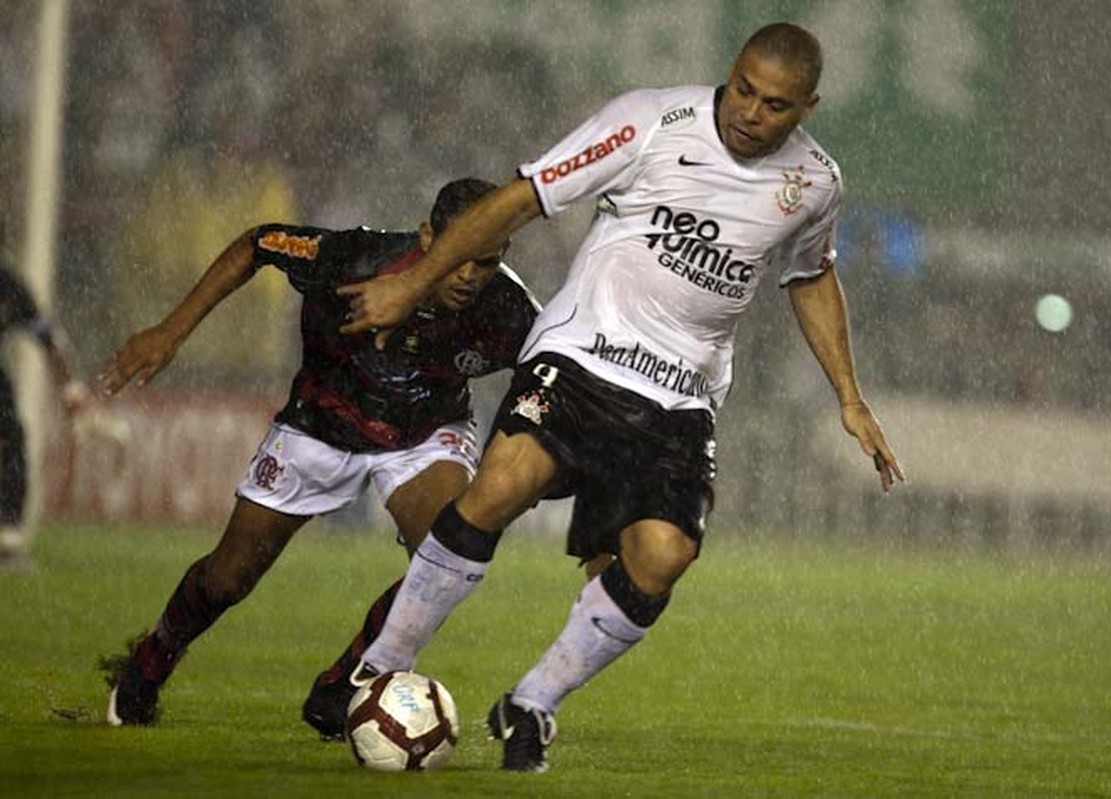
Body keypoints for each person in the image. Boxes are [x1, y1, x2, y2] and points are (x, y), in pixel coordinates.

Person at [336, 23, 905, 772]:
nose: (749, 112)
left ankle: (530, 703)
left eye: (774, 105)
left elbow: (809, 276)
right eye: (742, 89)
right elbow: (520, 199)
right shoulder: (647, 121)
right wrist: (412, 284)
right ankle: (379, 666)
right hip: (582, 355)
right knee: (502, 483)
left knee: (662, 556)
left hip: (681, 396)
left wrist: (849, 395)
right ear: (728, 75)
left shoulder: (816, 185)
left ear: (807, 108)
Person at [98, 177, 541, 728]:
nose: (471, 276)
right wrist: (170, 330)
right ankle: (151, 659)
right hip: (319, 424)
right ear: (429, 238)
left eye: (488, 262)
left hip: (423, 435)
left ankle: (347, 681)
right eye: (462, 259)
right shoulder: (354, 259)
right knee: (228, 578)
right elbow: (257, 243)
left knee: (450, 556)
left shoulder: (512, 309)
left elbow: (558, 373)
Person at [0, 263, 90, 569]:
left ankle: (8, 535)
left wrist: (71, 390)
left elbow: (47, 337)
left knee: (12, 438)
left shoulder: (9, 285)